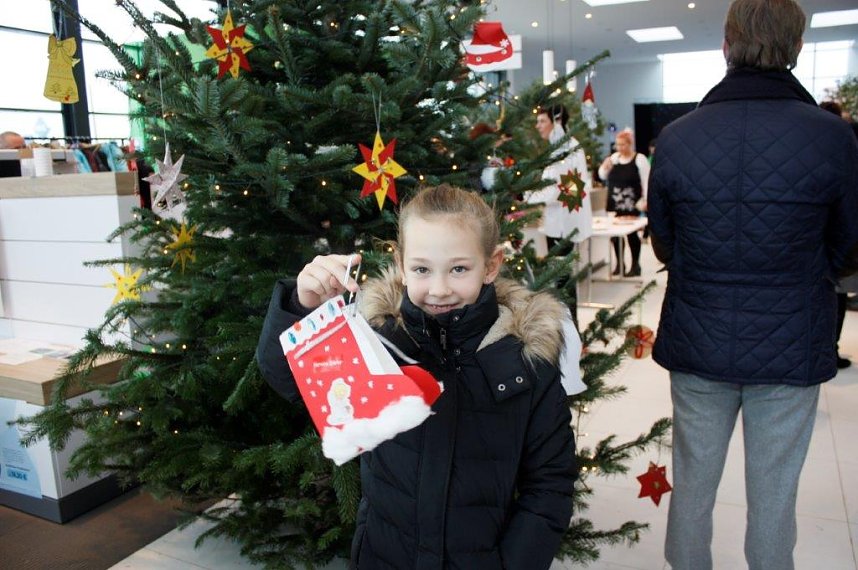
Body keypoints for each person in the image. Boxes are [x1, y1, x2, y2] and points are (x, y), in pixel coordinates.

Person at [256, 184, 578, 569]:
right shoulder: (374, 336)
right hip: (384, 556)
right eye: (422, 269)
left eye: (459, 269)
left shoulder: (526, 362)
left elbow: (550, 484)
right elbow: (286, 378)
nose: (439, 289)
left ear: (491, 265)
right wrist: (299, 304)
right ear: (401, 260)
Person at [647, 1, 858, 568]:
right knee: (774, 499)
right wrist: (806, 272)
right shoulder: (833, 138)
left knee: (691, 487)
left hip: (698, 336)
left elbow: (664, 243)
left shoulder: (677, 137)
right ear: (795, 48)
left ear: (726, 43)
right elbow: (848, 247)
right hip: (792, 339)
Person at [821, 100, 858, 369]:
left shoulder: (805, 147)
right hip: (837, 239)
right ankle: (829, 349)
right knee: (838, 295)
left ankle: (824, 349)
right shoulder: (846, 147)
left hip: (809, 240)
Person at [526, 105, 593, 252]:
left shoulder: (564, 150)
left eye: (542, 121)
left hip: (562, 222)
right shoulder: (567, 146)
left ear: (557, 121)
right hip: (562, 219)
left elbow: (562, 189)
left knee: (560, 269)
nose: (537, 126)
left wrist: (527, 196)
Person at [598, 129, 650, 276]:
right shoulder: (614, 158)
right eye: (617, 145)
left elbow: (647, 181)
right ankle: (619, 264)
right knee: (615, 236)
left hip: (632, 203)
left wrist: (646, 199)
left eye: (622, 144)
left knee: (632, 235)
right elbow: (602, 175)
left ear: (630, 144)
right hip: (615, 203)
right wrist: (605, 166)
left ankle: (635, 265)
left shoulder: (640, 159)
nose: (620, 148)